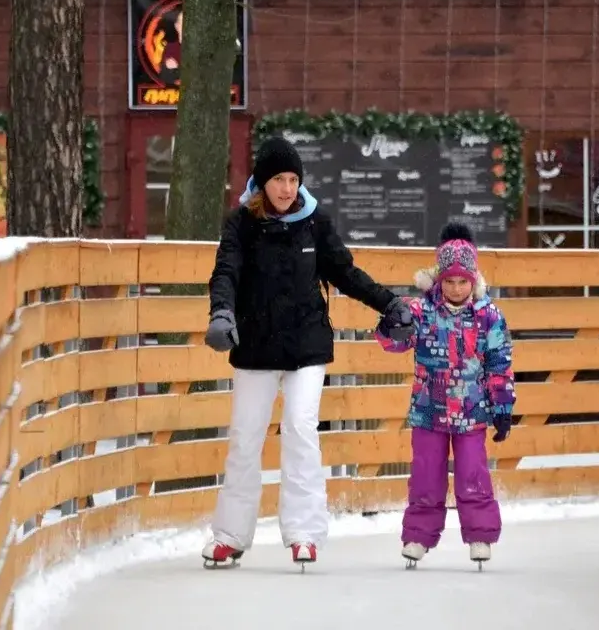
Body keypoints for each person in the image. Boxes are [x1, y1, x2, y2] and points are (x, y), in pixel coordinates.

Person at [201, 136, 414, 569]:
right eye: (278, 179)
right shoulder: (240, 223)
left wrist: (389, 302)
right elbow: (226, 271)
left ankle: (304, 533)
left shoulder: (314, 222)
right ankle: (230, 535)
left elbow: (345, 272)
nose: (286, 188)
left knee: (300, 428)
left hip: (306, 344)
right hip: (256, 346)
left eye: (293, 179)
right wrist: (222, 313)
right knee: (245, 438)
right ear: (262, 182)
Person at [374, 222, 515, 568]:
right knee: (425, 473)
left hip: (472, 411)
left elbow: (500, 364)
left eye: (462, 281)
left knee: (472, 473)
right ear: (439, 280)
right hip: (428, 410)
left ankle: (480, 534)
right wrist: (389, 325)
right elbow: (394, 343)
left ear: (473, 280)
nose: (455, 288)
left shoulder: (488, 316)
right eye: (449, 281)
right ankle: (418, 537)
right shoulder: (421, 311)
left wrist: (503, 406)